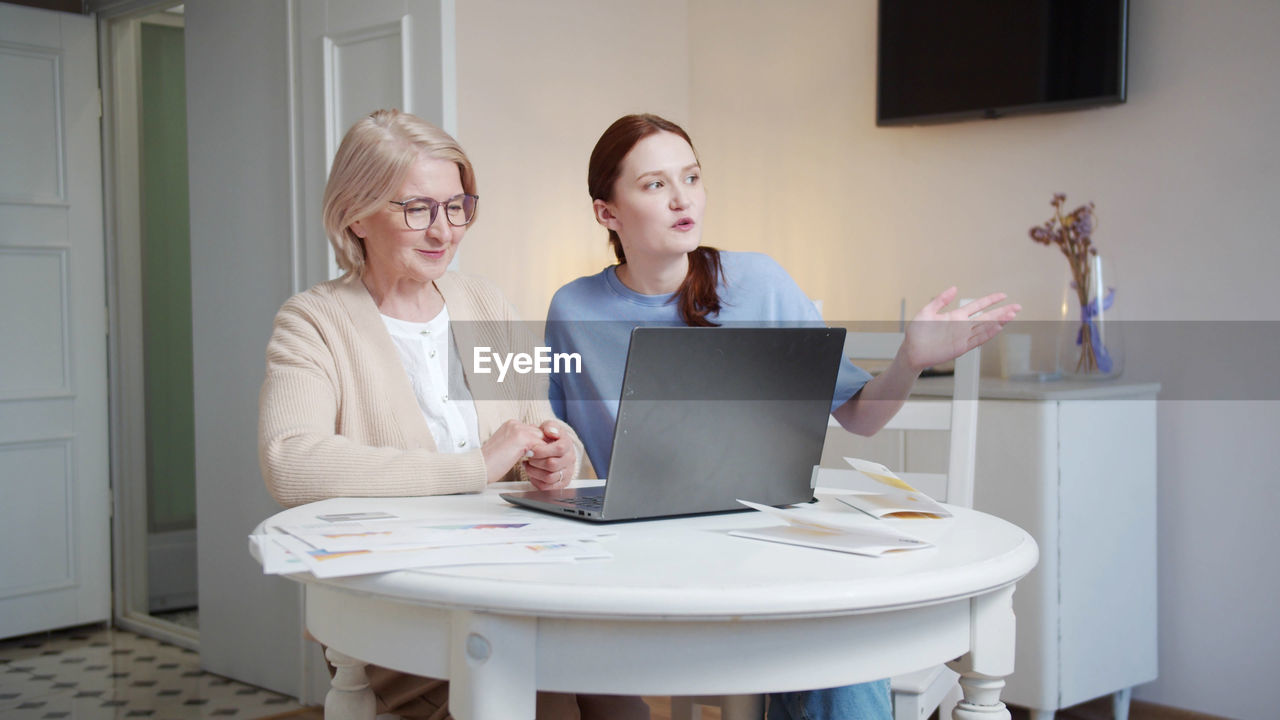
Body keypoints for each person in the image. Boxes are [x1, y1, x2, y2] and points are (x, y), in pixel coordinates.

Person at [545, 113, 1021, 720]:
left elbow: (861, 417)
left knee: (838, 634)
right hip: (642, 556)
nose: (682, 196)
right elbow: (561, 452)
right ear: (606, 212)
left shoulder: (758, 282)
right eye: (654, 184)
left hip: (765, 539)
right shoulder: (574, 309)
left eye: (690, 176)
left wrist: (910, 360)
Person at [258, 109, 646, 720]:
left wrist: (556, 452)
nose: (444, 230)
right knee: (551, 704)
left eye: (457, 205)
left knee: (624, 695)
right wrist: (474, 466)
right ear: (355, 214)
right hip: (405, 603)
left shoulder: (483, 302)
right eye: (416, 209)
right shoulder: (315, 321)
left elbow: (536, 416)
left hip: (516, 582)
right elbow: (292, 461)